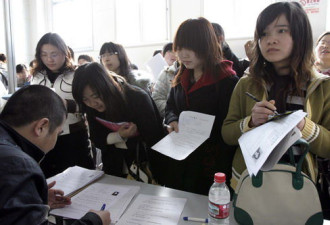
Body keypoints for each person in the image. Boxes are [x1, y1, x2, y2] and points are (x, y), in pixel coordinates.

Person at [222, 1, 330, 196]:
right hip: (249, 183)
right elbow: (227, 134)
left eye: (281, 31)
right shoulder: (246, 83)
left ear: (301, 36)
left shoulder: (323, 87)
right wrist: (251, 122)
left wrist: (304, 126)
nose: (270, 40)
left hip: (298, 187)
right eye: (264, 33)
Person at [0, 85, 110, 225]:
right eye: (58, 133)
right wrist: (94, 221)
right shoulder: (19, 166)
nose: (56, 140)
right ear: (41, 127)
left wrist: (31, 198)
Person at [164, 17, 239, 195]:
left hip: (211, 165)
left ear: (207, 46)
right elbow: (170, 107)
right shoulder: (181, 75)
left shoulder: (227, 81)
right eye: (180, 48)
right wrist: (173, 120)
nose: (183, 55)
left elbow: (228, 128)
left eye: (190, 48)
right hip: (182, 158)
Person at [72, 62, 168, 184]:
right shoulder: (90, 107)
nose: (92, 103)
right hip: (115, 168)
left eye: (95, 96)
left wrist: (124, 138)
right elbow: (96, 138)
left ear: (106, 86)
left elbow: (154, 138)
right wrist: (119, 136)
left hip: (145, 168)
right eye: (85, 99)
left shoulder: (137, 97)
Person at [31, 32, 94, 178]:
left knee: (81, 179)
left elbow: (91, 106)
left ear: (64, 53)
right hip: (45, 137)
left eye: (54, 54)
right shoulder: (37, 76)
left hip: (73, 136)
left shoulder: (77, 74)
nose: (49, 59)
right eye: (44, 54)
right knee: (50, 180)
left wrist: (68, 105)